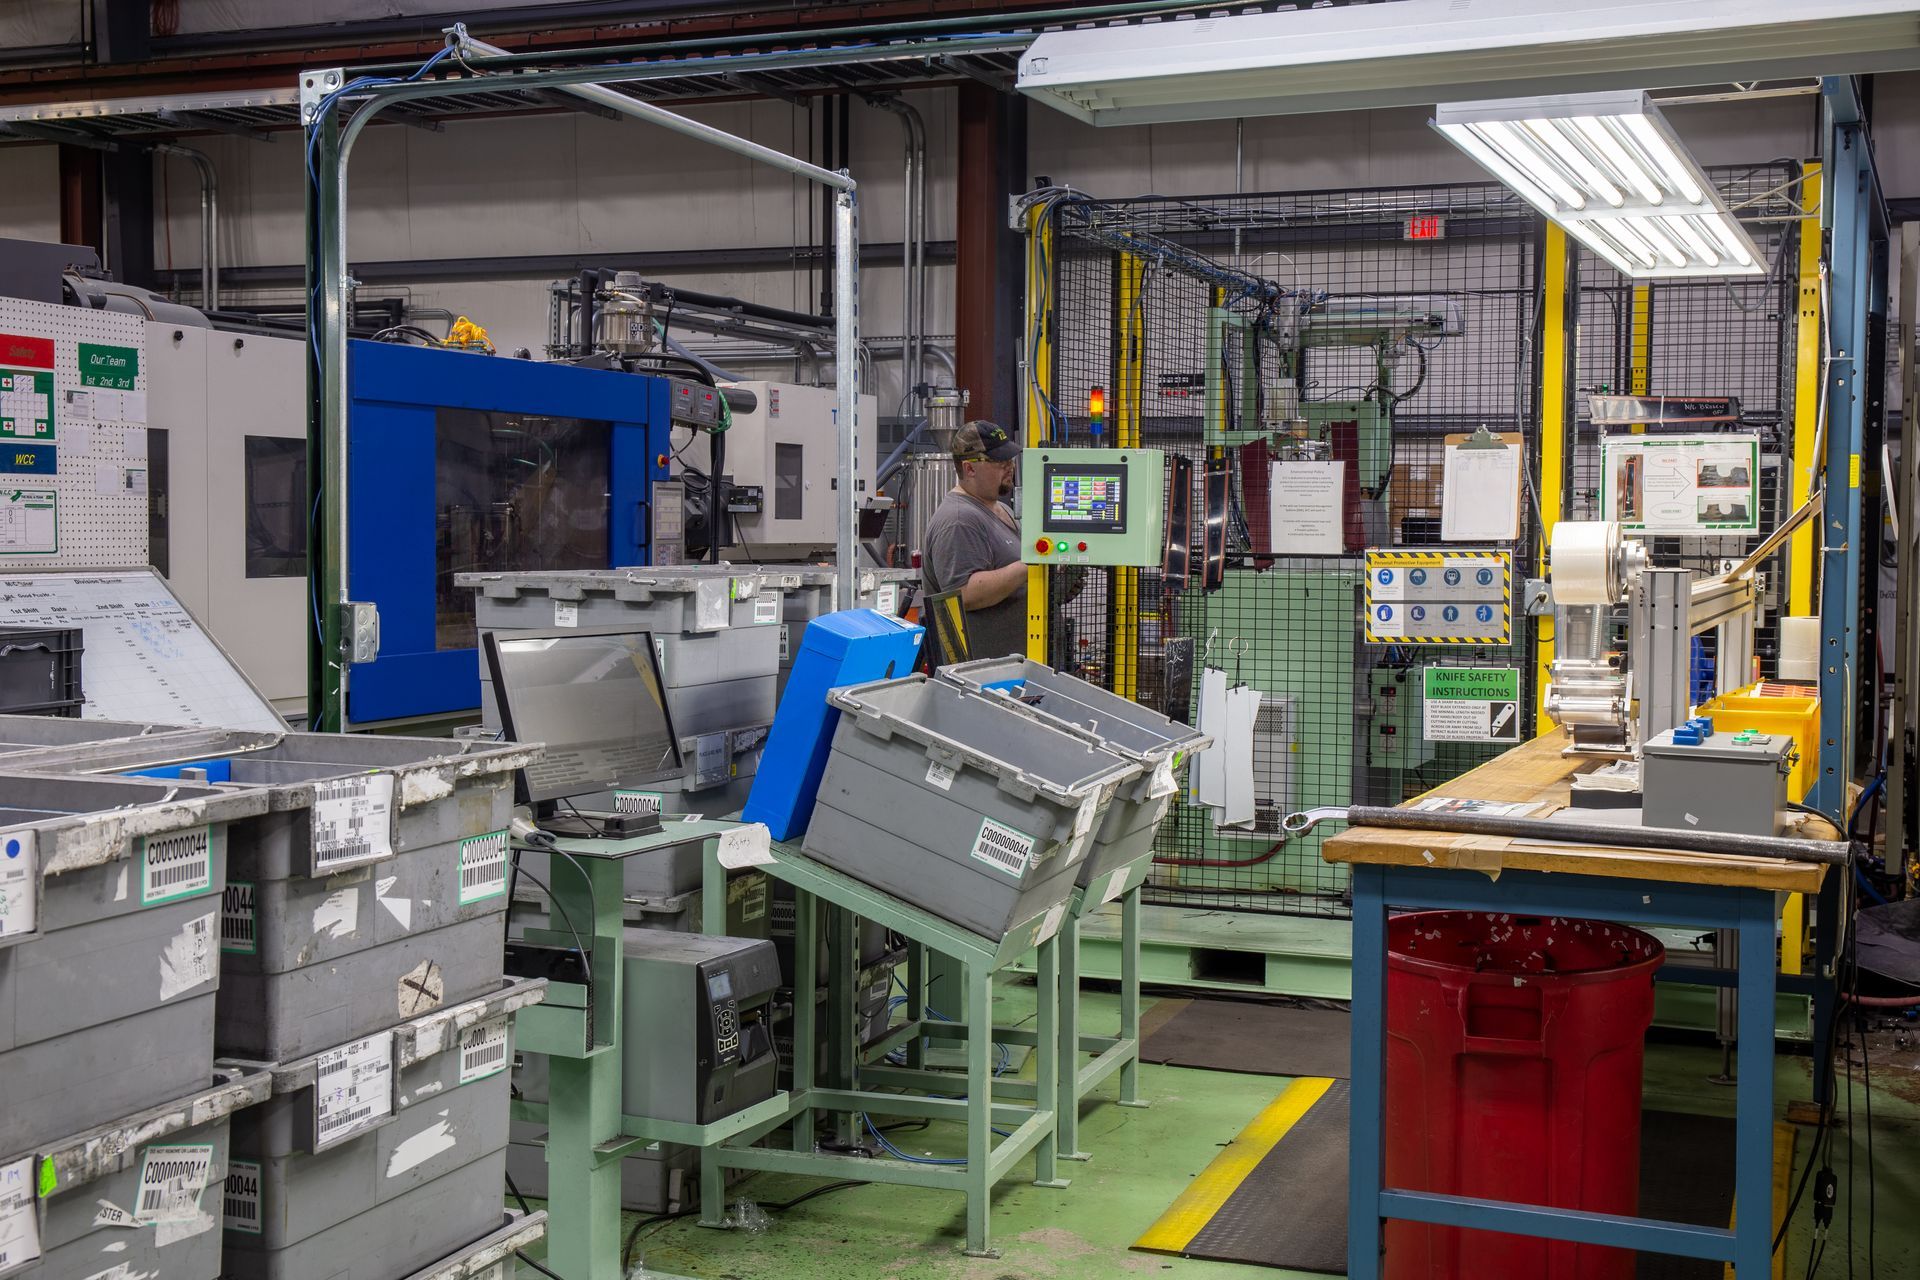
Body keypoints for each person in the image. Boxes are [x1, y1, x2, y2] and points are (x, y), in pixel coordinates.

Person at [923, 420, 1028, 664]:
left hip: (1011, 669)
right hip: (978, 677)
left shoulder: (1002, 509)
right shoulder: (959, 519)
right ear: (969, 468)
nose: (1009, 466)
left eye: (1010, 459)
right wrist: (1030, 567)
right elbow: (964, 593)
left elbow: (1017, 586)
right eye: (999, 462)